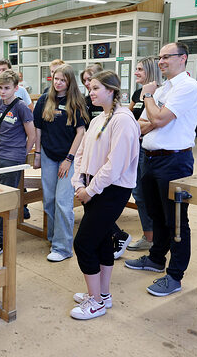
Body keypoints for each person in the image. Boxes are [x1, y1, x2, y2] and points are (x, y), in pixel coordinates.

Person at [125, 42, 197, 297]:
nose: (160, 62)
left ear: (183, 58)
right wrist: (154, 114)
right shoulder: (165, 88)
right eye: (159, 57)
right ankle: (156, 258)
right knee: (156, 214)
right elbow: (144, 124)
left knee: (177, 221)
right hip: (151, 157)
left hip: (175, 162)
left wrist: (148, 97)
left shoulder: (188, 87)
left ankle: (175, 276)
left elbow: (156, 119)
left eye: (166, 57)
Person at [70, 71, 140, 320]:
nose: (91, 91)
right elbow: (82, 154)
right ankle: (103, 294)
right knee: (100, 242)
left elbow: (115, 165)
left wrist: (89, 190)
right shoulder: (99, 118)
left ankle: (96, 302)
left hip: (111, 190)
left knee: (83, 244)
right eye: (90, 87)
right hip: (92, 186)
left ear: (111, 90)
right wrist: (78, 181)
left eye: (96, 88)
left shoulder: (123, 120)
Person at [33, 64, 88, 262]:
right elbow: (38, 129)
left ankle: (63, 248)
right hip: (48, 156)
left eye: (62, 80)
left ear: (69, 82)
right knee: (49, 201)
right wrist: (38, 154)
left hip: (68, 158)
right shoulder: (44, 100)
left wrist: (69, 159)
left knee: (63, 202)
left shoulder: (76, 101)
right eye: (56, 79)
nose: (58, 83)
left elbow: (81, 132)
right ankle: (55, 239)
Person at [0, 69, 35, 260]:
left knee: (4, 200)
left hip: (13, 157)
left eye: (7, 88)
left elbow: (32, 135)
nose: (3, 91)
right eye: (0, 88)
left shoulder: (21, 107)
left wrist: (22, 154)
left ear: (16, 88)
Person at [127, 57, 162, 252]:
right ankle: (149, 237)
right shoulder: (138, 93)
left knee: (149, 195)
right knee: (138, 193)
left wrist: (144, 127)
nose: (136, 72)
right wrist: (145, 126)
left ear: (149, 71)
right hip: (136, 147)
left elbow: (159, 121)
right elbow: (130, 119)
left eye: (140, 69)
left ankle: (155, 237)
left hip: (150, 150)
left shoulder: (161, 93)